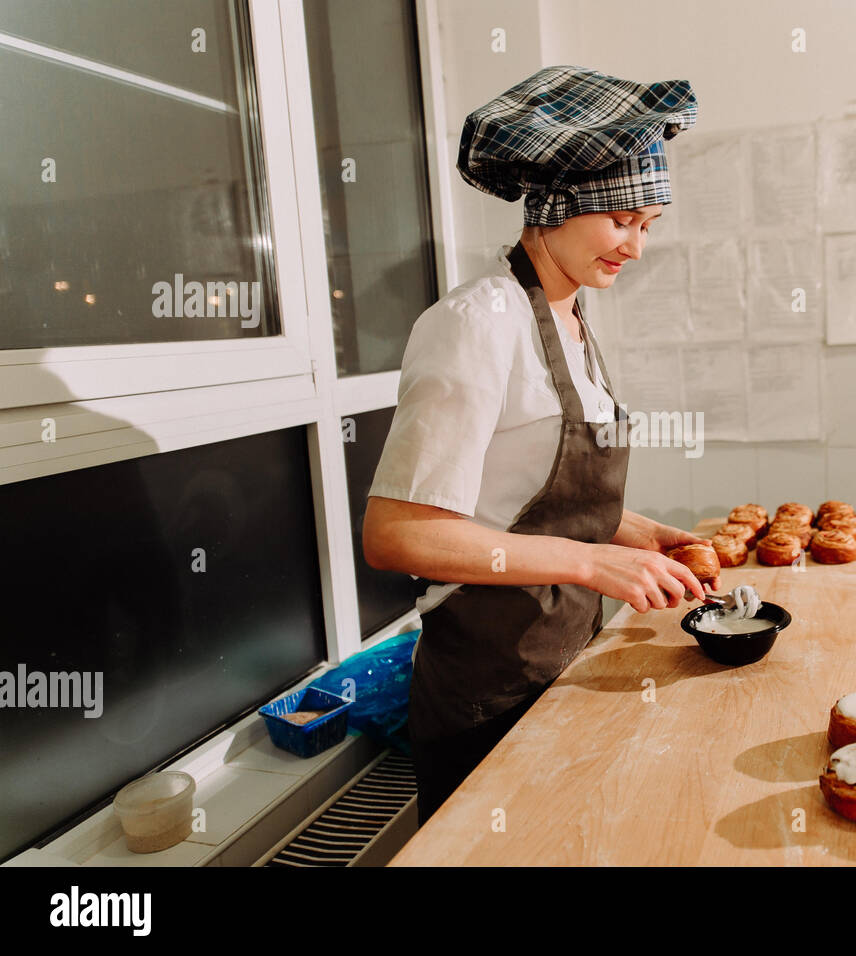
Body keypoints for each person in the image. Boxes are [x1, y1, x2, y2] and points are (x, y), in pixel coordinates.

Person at [361, 66, 706, 824]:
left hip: (562, 659)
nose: (636, 248)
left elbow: (526, 496)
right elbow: (397, 534)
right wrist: (591, 560)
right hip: (486, 690)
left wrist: (638, 535)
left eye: (648, 226)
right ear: (559, 203)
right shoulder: (476, 323)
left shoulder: (573, 321)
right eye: (622, 221)